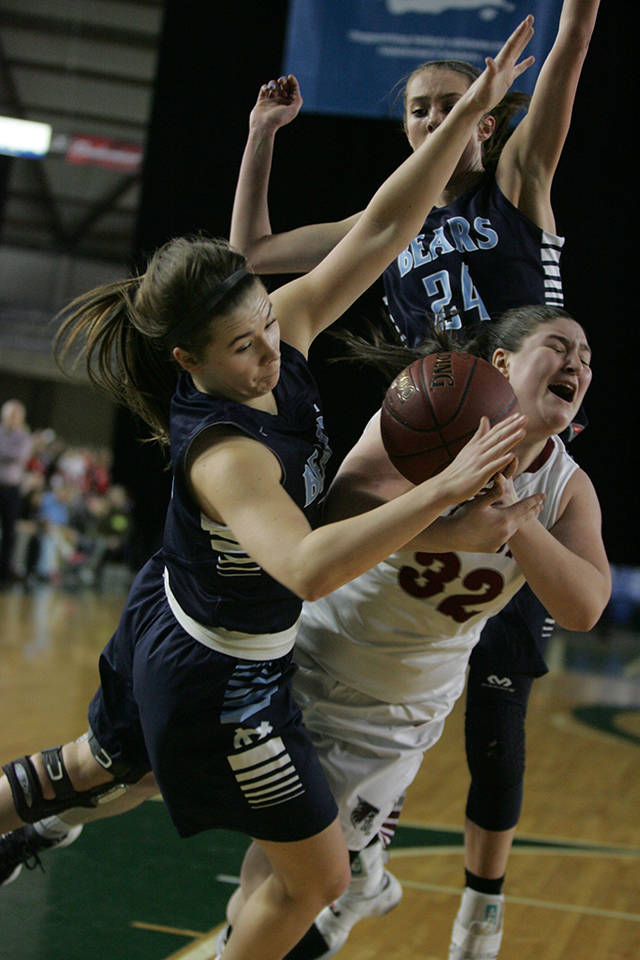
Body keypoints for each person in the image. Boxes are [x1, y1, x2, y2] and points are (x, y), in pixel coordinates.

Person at [0, 22, 535, 960]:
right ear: (188, 361)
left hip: (171, 612)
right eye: (244, 348)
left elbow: (385, 227)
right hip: (220, 670)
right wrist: (445, 491)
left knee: (98, 768)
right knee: (318, 880)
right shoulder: (227, 455)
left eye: (267, 327)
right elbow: (310, 567)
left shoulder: (276, 324)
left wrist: (466, 118)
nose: (270, 353)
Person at [2, 306, 611, 960]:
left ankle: (300, 906)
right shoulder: (424, 409)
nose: (577, 364)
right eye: (560, 346)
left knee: (288, 878)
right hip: (299, 653)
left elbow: (584, 607)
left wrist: (519, 523)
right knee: (143, 771)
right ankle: (48, 825)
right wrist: (450, 523)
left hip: (386, 712)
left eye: (587, 358)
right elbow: (334, 516)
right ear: (501, 363)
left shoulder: (565, 489)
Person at [226, 2, 601, 955]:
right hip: (419, 459)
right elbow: (253, 256)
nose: (434, 119)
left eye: (450, 105)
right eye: (418, 109)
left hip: (517, 456)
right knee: (357, 648)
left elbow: (566, 59)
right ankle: (356, 858)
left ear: (489, 119)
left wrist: (577, 17)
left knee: (498, 704)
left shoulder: (515, 185)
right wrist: (262, 136)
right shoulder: (387, 221)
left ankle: (479, 904)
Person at [0, 399, 33, 584]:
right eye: (10, 415)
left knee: (9, 531)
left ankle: (4, 573)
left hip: (11, 489)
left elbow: (19, 456)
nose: (12, 419)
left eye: (16, 415)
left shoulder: (24, 437)